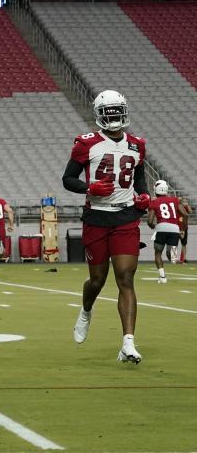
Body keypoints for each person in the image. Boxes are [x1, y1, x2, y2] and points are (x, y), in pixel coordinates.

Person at [63, 90, 149, 364]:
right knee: (97, 281)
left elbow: (140, 179)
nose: (113, 116)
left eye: (116, 110)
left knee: (125, 277)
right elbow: (68, 179)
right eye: (108, 111)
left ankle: (128, 343)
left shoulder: (136, 144)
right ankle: (86, 309)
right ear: (100, 115)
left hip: (126, 217)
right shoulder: (86, 143)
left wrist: (144, 195)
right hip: (97, 218)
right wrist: (89, 187)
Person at [147, 180, 180, 284]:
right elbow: (184, 212)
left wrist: (153, 227)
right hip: (175, 228)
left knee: (157, 253)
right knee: (172, 256)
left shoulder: (154, 202)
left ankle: (162, 277)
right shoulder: (174, 200)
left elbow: (149, 221)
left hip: (161, 227)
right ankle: (173, 258)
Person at [179, 197, 192, 264]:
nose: (184, 201)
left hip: (184, 227)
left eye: (185, 200)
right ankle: (173, 259)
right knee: (174, 244)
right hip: (177, 227)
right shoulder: (177, 206)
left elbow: (190, 211)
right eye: (183, 200)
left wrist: (187, 205)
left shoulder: (185, 206)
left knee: (184, 244)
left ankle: (183, 259)